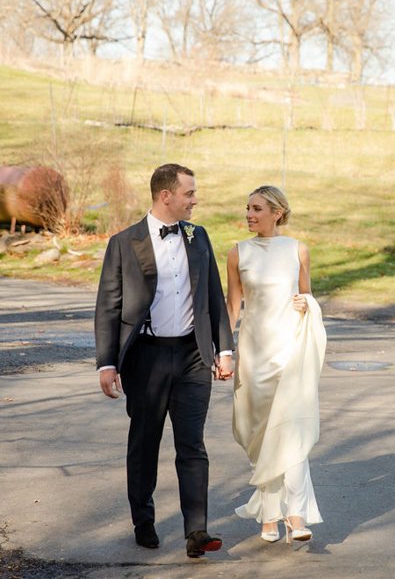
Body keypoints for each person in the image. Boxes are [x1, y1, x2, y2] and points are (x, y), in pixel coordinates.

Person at [94, 163, 234, 558]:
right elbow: (108, 305)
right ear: (165, 196)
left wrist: (224, 349)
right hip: (146, 358)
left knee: (192, 444)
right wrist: (107, 363)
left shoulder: (198, 236)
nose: (195, 200)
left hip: (192, 356)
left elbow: (213, 296)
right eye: (189, 193)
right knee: (145, 442)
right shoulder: (124, 242)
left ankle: (197, 531)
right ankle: (144, 520)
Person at [225, 185, 327, 544]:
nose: (249, 214)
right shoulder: (237, 253)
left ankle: (296, 516)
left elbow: (307, 296)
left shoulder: (298, 250)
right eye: (248, 208)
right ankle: (269, 515)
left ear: (277, 213)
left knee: (291, 431)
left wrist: (305, 305)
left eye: (257, 208)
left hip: (289, 352)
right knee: (260, 435)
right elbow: (233, 306)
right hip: (254, 354)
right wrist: (223, 351)